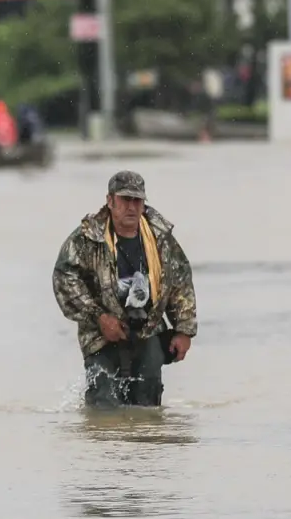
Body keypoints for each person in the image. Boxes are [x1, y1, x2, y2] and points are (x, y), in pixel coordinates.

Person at [53, 171, 198, 409]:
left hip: (147, 330)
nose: (131, 207)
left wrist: (184, 330)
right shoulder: (87, 238)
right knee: (103, 407)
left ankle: (142, 447)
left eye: (137, 200)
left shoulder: (160, 237)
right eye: (125, 199)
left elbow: (180, 281)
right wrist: (98, 317)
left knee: (148, 410)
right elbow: (64, 278)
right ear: (110, 201)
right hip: (100, 334)